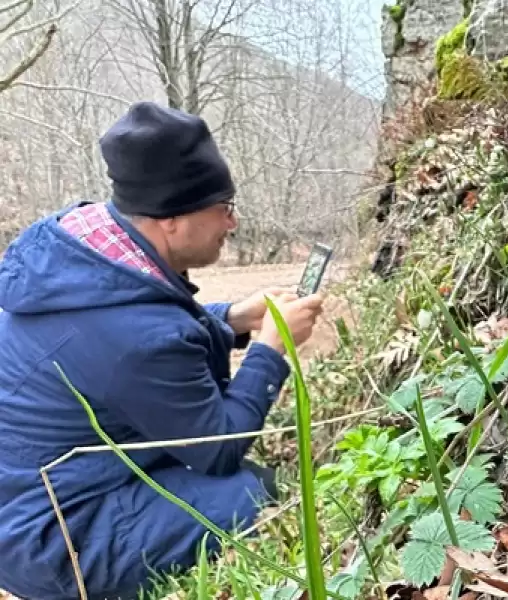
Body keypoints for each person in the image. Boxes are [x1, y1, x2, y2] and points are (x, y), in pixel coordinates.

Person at [0, 102, 324, 600]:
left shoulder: (82, 251)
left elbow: (138, 329)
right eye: (224, 206)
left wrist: (234, 317)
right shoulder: (139, 338)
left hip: (23, 501)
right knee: (253, 495)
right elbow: (217, 449)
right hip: (52, 540)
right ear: (172, 218)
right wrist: (270, 351)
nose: (232, 223)